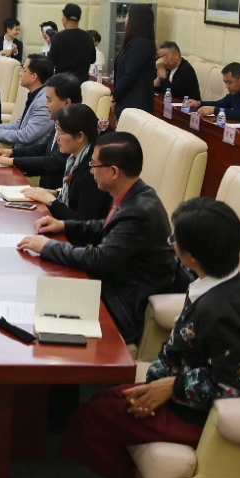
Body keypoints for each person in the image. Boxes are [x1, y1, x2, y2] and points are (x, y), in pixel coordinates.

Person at [60, 197, 240, 478]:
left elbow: (236, 383)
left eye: (174, 239)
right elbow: (181, 346)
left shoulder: (219, 311)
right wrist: (157, 383)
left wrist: (171, 386)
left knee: (88, 421)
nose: (171, 243)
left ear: (191, 256)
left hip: (201, 414)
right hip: (181, 391)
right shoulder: (226, 282)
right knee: (104, 400)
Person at [17, 132, 178, 343]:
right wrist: (64, 225)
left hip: (122, 305)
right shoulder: (135, 193)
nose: (90, 171)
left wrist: (48, 246)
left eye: (93, 165)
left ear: (113, 172)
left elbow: (98, 259)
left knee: (37, 310)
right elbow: (106, 225)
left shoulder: (139, 211)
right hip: (112, 286)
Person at [0, 72, 83, 188]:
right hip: (43, 190)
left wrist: (13, 161)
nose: (45, 105)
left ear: (66, 103)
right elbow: (42, 149)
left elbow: (55, 161)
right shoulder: (59, 121)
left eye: (49, 101)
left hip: (56, 193)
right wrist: (11, 152)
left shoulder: (75, 128)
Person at [19, 104, 110, 221]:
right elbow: (74, 195)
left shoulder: (92, 170)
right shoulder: (76, 158)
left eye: (61, 132)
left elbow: (82, 222)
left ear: (80, 136)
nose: (57, 138)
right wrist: (53, 193)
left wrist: (51, 201)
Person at [0, 54, 53, 146]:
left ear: (34, 77)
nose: (20, 74)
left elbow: (25, 136)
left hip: (27, 153)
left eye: (23, 70)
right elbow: (18, 125)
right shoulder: (35, 95)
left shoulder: (43, 103)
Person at [111, 5, 158, 119]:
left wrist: (115, 96)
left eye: (127, 15)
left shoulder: (141, 44)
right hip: (126, 103)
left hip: (135, 105)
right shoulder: (132, 43)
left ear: (135, 20)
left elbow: (130, 75)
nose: (125, 19)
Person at [47, 4, 97, 80]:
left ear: (65, 19)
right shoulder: (88, 37)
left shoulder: (58, 37)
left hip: (62, 83)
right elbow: (93, 59)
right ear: (79, 19)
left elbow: (50, 62)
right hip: (82, 83)